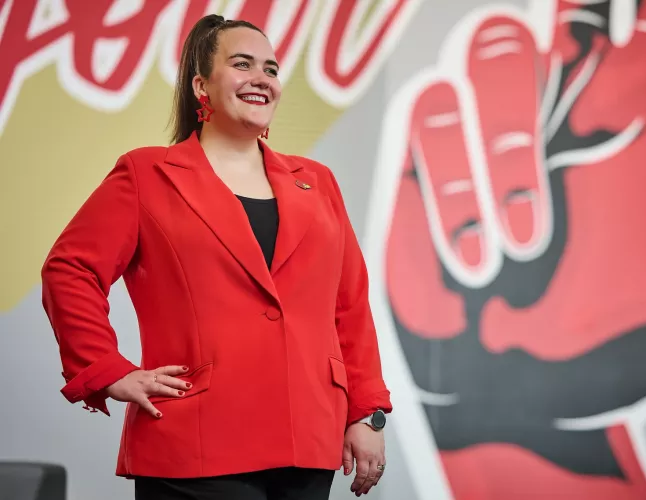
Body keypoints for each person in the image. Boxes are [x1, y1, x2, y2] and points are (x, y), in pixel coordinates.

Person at [40, 14, 391, 500]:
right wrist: (106, 369)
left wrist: (366, 411)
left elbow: (349, 307)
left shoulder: (317, 182)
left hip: (308, 437)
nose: (261, 79)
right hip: (193, 440)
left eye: (270, 69)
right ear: (200, 84)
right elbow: (70, 268)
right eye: (242, 64)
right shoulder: (147, 174)